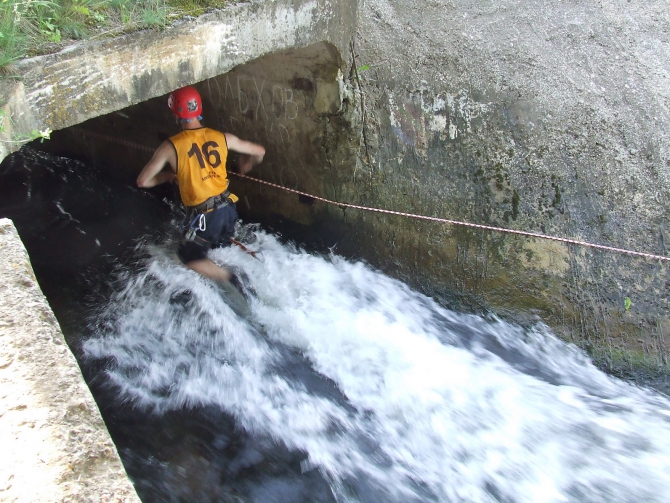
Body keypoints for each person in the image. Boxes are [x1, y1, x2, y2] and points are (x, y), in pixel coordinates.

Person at [137, 85, 265, 283]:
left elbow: (143, 181)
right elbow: (259, 151)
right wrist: (246, 163)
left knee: (188, 256)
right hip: (228, 210)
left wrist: (168, 177)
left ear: (176, 115)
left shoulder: (170, 146)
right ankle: (247, 265)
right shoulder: (223, 137)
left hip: (206, 216)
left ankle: (232, 278)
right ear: (199, 109)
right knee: (218, 247)